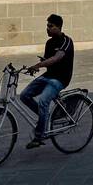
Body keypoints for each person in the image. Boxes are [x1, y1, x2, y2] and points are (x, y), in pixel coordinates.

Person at [19, 14, 75, 149]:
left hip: (60, 79)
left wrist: (39, 65)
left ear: (59, 27)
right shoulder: (49, 43)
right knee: (24, 95)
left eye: (51, 26)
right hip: (49, 75)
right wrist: (36, 67)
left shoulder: (66, 41)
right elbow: (46, 61)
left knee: (44, 101)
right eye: (47, 26)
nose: (47, 29)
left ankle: (39, 136)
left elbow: (57, 58)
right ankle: (44, 118)